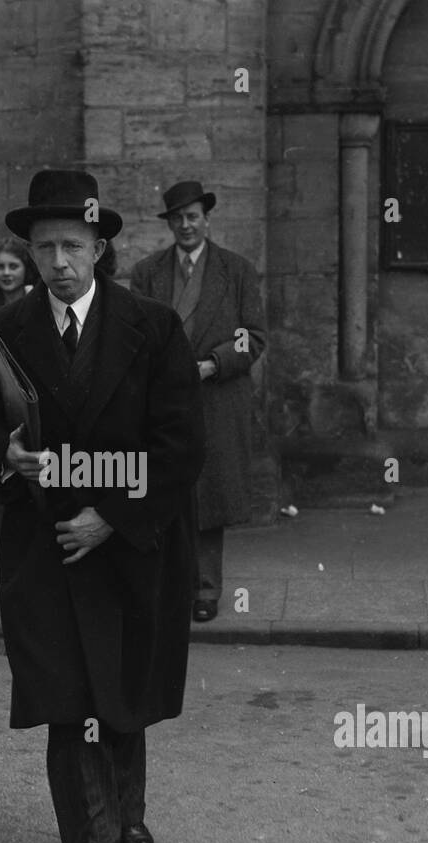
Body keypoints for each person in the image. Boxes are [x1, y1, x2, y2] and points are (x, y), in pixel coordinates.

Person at [0, 170, 204, 843]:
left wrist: (114, 517)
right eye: (43, 248)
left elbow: (181, 447)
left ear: (100, 247)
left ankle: (126, 809)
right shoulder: (1, 333)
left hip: (133, 547)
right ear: (27, 254)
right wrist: (5, 453)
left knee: (123, 691)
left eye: (72, 245)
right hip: (48, 551)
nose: (58, 261)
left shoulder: (153, 328)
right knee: (71, 702)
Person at [129, 180, 267, 623]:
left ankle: (206, 589)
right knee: (166, 491)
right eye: (177, 218)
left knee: (210, 495)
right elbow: (134, 334)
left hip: (217, 398)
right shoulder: (148, 272)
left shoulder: (237, 270)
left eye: (192, 216)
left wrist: (212, 363)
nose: (185, 225)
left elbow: (253, 337)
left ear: (206, 219)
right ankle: (170, 584)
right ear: (168, 223)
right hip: (164, 401)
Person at [0, 235, 39, 321]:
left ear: (26, 268)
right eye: (0, 267)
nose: (6, 273)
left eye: (13, 266)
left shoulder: (39, 303)